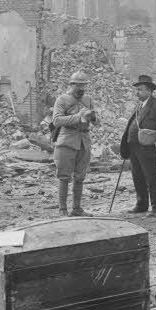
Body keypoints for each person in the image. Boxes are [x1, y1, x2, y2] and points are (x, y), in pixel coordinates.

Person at [118, 74, 156, 216]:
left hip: (149, 149)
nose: (137, 92)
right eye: (137, 89)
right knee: (137, 176)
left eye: (140, 89)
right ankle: (141, 205)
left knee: (152, 177)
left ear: (149, 91)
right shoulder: (139, 106)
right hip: (134, 148)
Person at [51, 70, 98, 216]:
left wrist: (94, 117)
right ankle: (63, 209)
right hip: (67, 141)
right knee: (64, 176)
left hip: (84, 142)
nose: (81, 89)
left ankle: (77, 209)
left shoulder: (88, 99)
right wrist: (78, 116)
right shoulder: (62, 99)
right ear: (71, 84)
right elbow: (56, 120)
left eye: (84, 86)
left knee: (80, 177)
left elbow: (97, 121)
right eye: (78, 86)